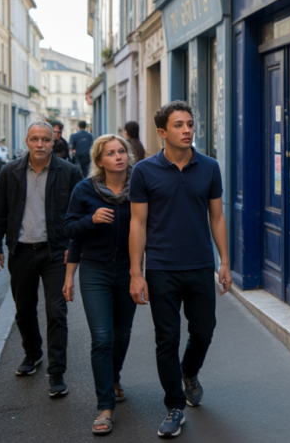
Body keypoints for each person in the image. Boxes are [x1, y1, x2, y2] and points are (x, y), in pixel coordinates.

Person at [128, 101, 230, 438]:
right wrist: (136, 272)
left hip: (201, 264)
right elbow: (138, 223)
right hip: (161, 268)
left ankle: (189, 372)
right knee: (166, 339)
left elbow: (217, 216)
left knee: (203, 330)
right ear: (162, 132)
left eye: (189, 124)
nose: (187, 130)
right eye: (178, 125)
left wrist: (224, 262)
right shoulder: (143, 171)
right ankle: (174, 405)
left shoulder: (209, 167)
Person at [0, 122, 83, 397]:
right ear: (26, 142)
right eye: (34, 139)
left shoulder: (70, 172)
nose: (40, 144)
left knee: (56, 312)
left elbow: (79, 214)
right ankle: (33, 353)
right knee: (24, 310)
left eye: (45, 140)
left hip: (56, 253)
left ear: (54, 142)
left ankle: (56, 372)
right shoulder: (10, 171)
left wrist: (73, 247)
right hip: (22, 251)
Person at [63, 134, 137, 435]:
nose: (118, 157)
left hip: (129, 271)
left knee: (122, 334)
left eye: (122, 151)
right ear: (99, 161)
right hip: (94, 271)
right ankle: (105, 405)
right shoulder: (85, 189)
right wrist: (90, 219)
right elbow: (70, 230)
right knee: (102, 338)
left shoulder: (140, 187)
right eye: (111, 153)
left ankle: (114, 377)